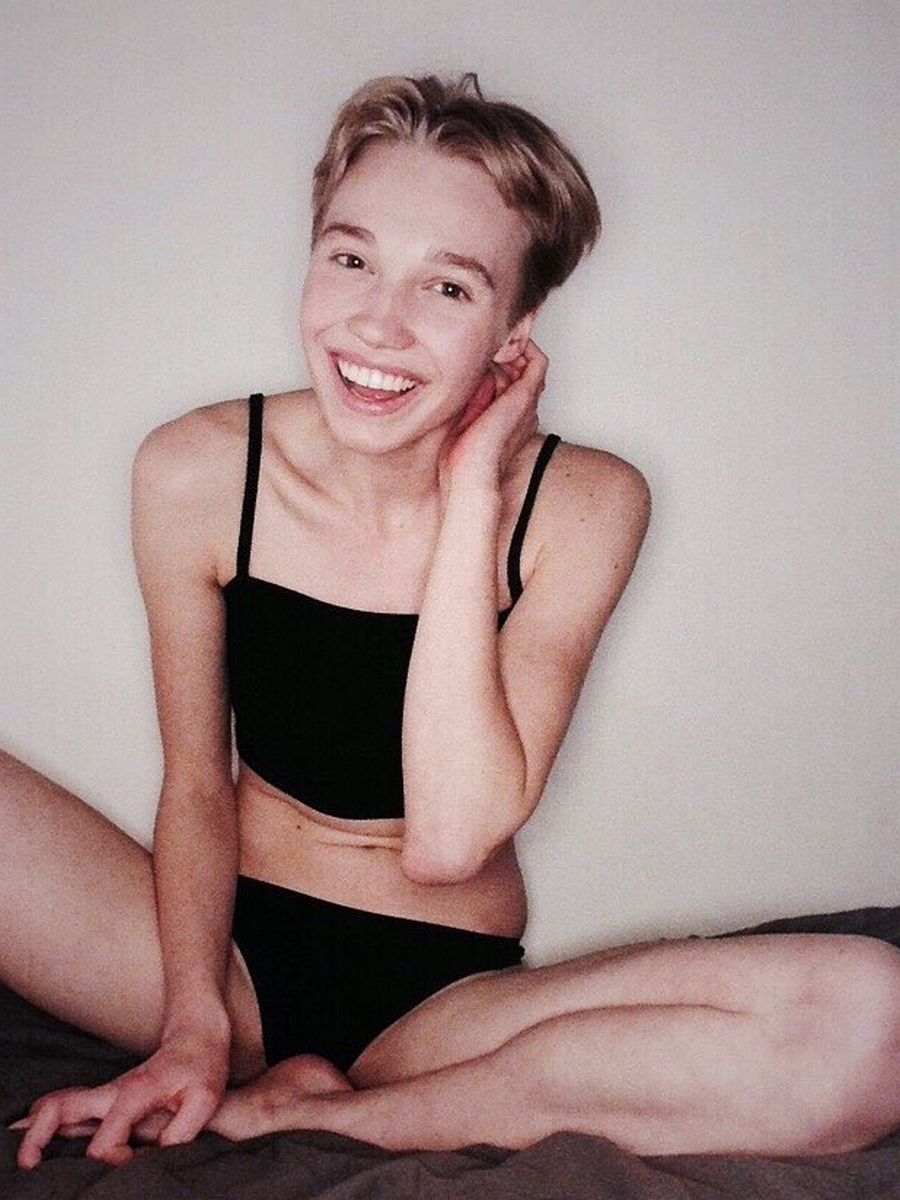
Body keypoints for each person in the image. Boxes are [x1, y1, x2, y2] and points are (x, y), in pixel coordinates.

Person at [5, 72, 900, 1170]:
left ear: (515, 328)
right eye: (351, 259)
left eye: (448, 287)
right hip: (207, 953)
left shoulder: (585, 504)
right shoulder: (196, 469)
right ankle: (252, 1064)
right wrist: (194, 1027)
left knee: (870, 1023)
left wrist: (472, 492)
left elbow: (448, 839)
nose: (377, 323)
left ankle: (309, 1115)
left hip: (436, 1005)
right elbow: (195, 782)